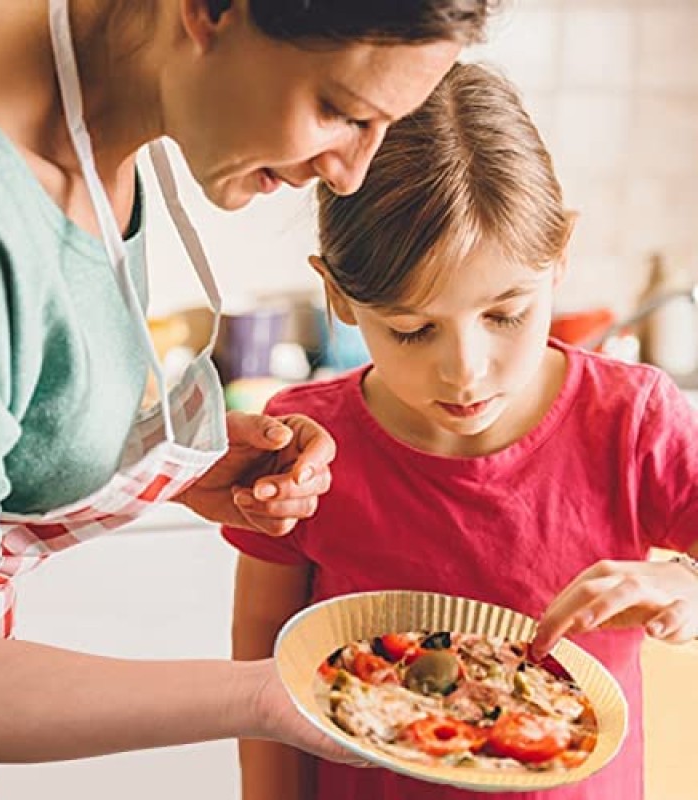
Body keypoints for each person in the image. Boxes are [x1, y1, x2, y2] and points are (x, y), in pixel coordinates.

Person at [0, 0, 499, 796]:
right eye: (341, 111)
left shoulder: (91, 75)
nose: (350, 172)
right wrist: (269, 695)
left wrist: (175, 469)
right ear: (211, 11)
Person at [223, 62, 698, 800]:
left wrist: (684, 584)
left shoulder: (631, 421)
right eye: (413, 330)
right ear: (340, 298)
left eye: (505, 314)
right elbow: (261, 671)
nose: (466, 373)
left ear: (561, 256)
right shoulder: (306, 443)